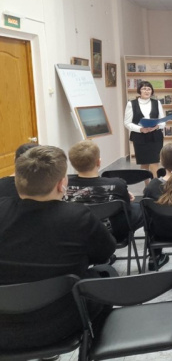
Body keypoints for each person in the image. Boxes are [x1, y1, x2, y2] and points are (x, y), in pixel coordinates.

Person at [0, 146, 116, 352]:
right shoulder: (78, 217)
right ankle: (95, 346)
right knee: (107, 274)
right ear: (62, 184)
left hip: (4, 328)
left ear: (16, 181)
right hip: (62, 324)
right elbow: (105, 253)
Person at [64, 140, 144, 242]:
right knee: (141, 207)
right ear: (99, 162)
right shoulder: (117, 184)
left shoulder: (64, 186)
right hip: (113, 235)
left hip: (76, 233)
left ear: (72, 164)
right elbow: (126, 209)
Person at [124, 80, 165, 179]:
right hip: (140, 137)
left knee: (155, 162)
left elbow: (162, 121)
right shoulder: (131, 104)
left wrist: (157, 126)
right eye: (144, 89)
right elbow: (127, 123)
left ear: (152, 91)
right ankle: (147, 185)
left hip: (155, 137)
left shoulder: (157, 103)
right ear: (139, 91)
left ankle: (155, 184)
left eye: (149, 89)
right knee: (144, 163)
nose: (147, 91)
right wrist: (141, 129)